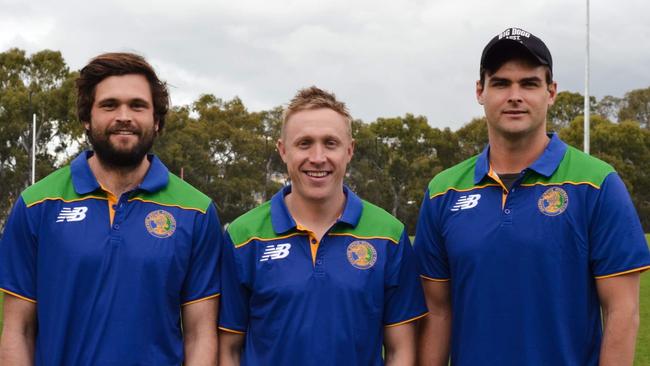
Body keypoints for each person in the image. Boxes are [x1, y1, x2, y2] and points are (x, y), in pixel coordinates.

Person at [414, 27, 650, 366]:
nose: (515, 95)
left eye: (529, 83)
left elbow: (622, 312)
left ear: (551, 92)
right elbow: (437, 313)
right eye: (500, 83)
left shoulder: (597, 184)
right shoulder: (443, 192)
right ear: (480, 91)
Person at [0, 52, 222, 365]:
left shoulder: (196, 212)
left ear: (156, 121)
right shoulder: (37, 204)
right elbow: (17, 329)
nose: (124, 116)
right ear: (86, 119)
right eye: (109, 105)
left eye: (137, 105)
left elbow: (200, 334)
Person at [218, 86, 427, 365]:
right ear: (283, 150)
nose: (318, 157)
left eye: (331, 143)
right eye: (304, 143)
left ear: (349, 150)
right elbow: (229, 349)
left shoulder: (388, 235)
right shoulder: (244, 236)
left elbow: (400, 350)